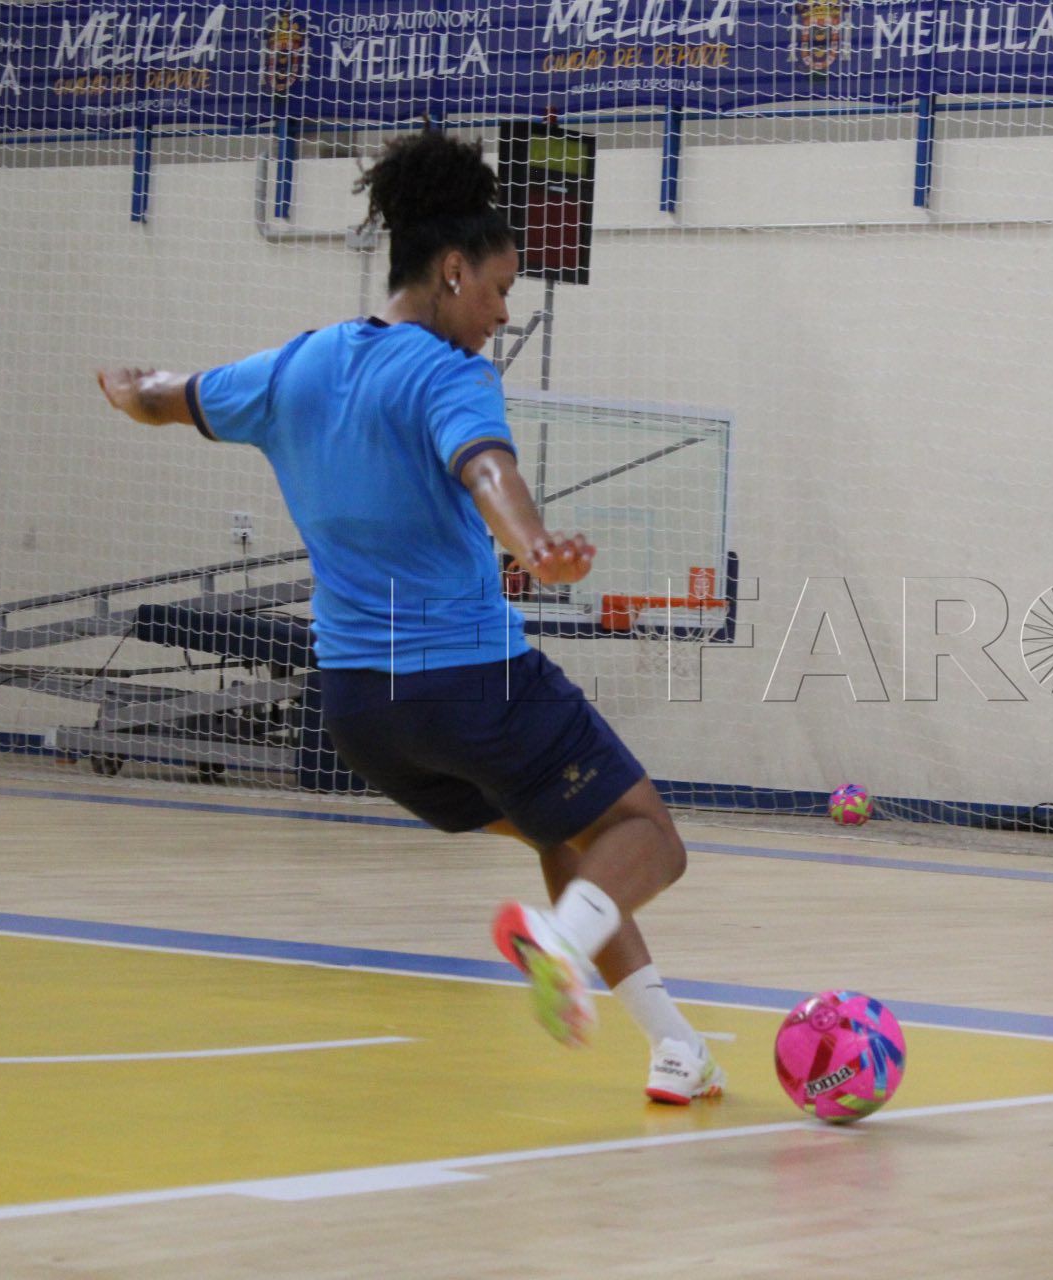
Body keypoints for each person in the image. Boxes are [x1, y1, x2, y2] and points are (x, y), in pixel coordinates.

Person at [94, 130, 722, 1103]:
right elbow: (486, 467)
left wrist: (130, 389)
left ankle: (675, 1045)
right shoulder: (444, 371)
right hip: (470, 683)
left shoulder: (291, 368)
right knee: (647, 834)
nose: (502, 314)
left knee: (567, 838)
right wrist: (530, 542)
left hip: (358, 711)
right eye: (498, 290)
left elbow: (167, 396)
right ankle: (558, 937)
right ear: (452, 268)